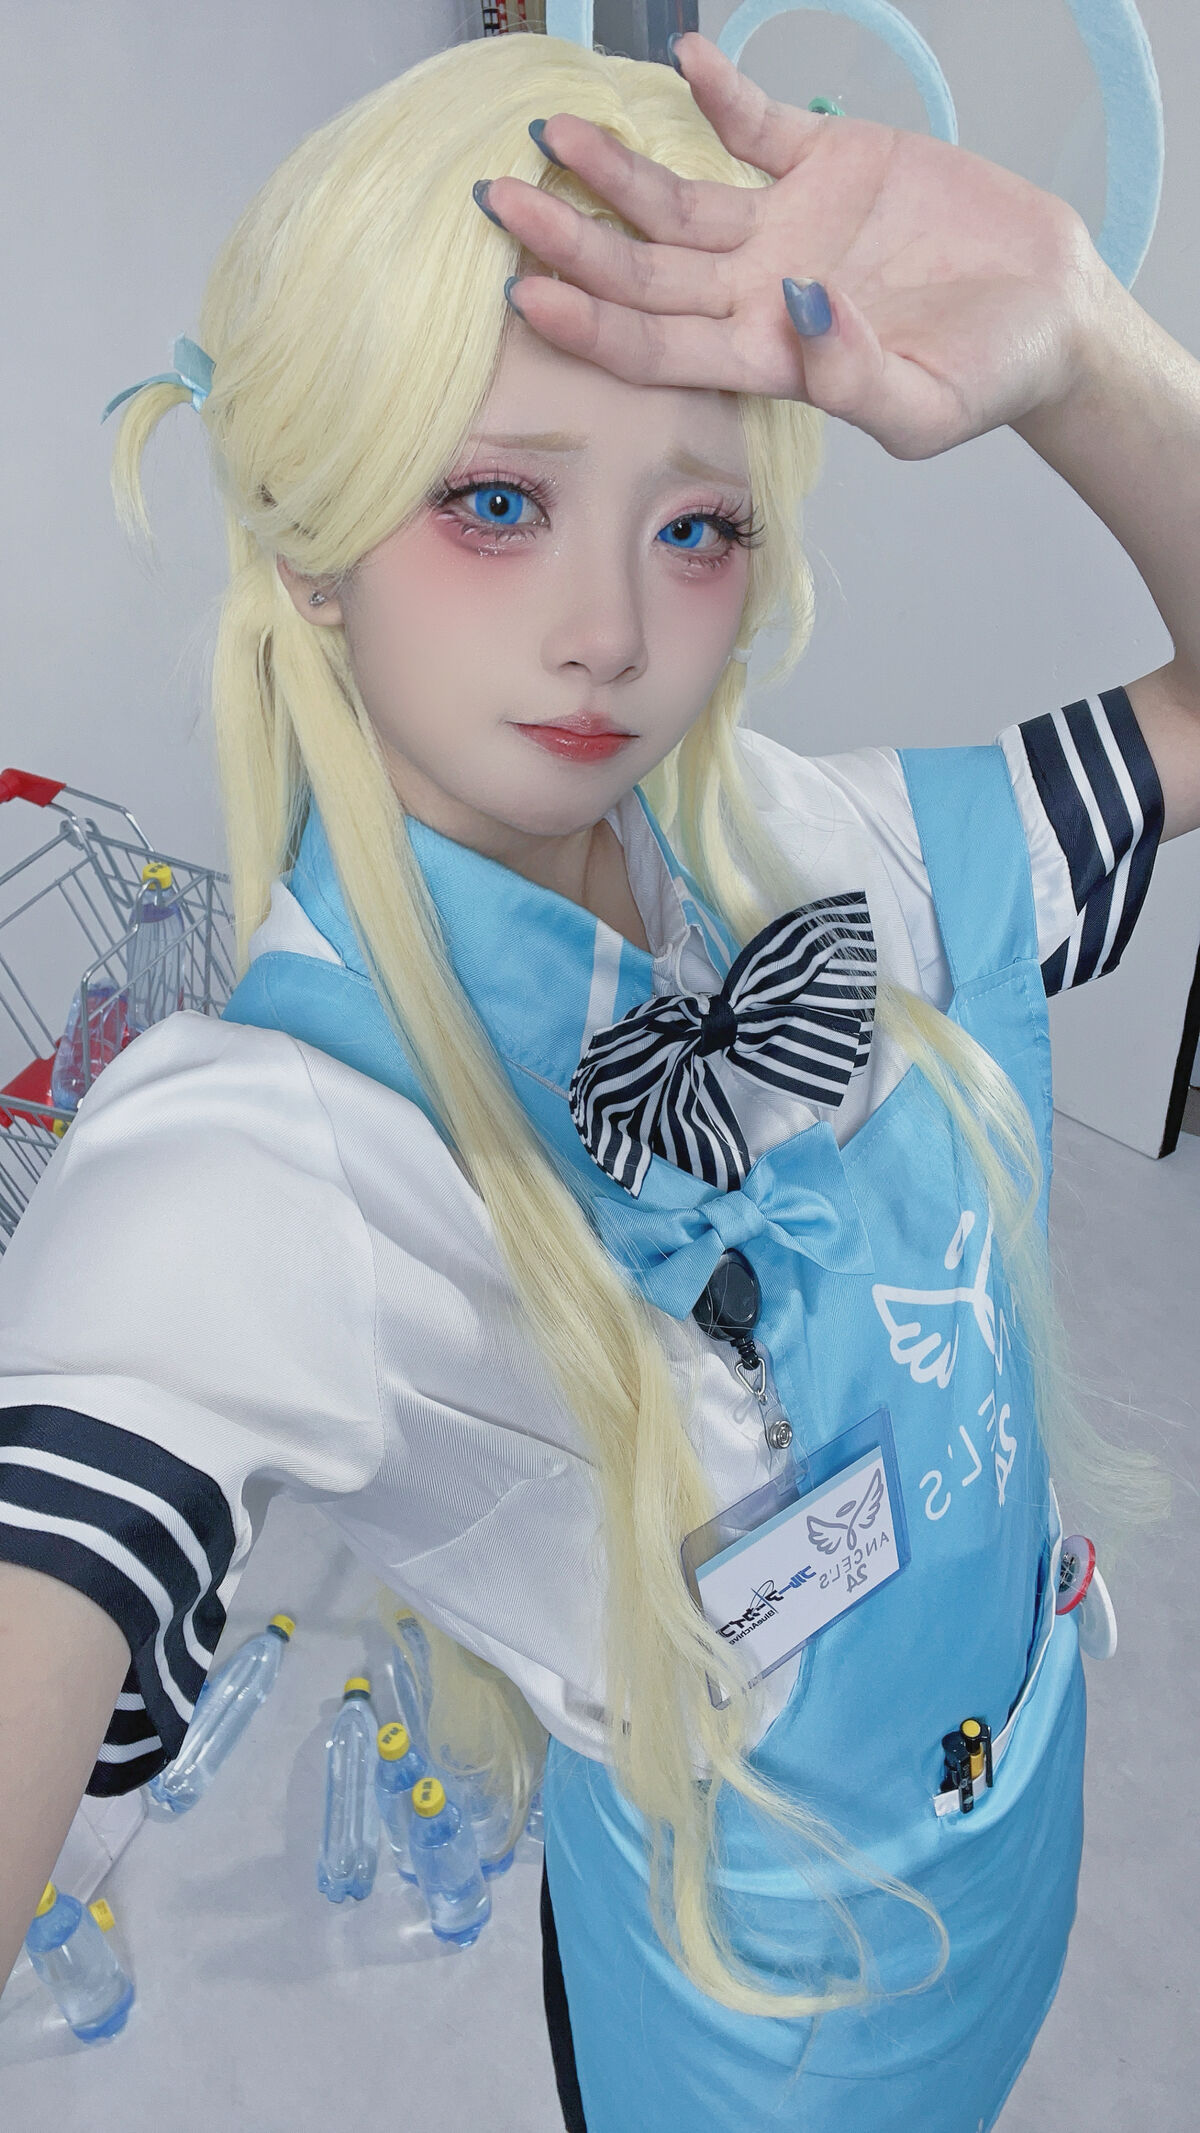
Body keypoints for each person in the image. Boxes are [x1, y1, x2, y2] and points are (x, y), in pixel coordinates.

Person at [0, 25, 1196, 2130]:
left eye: (698, 525)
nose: (611, 634)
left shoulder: (814, 847)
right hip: (757, 2032)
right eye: (497, 501)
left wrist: (1083, 343)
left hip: (1011, 1822)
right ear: (309, 546)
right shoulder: (264, 1159)